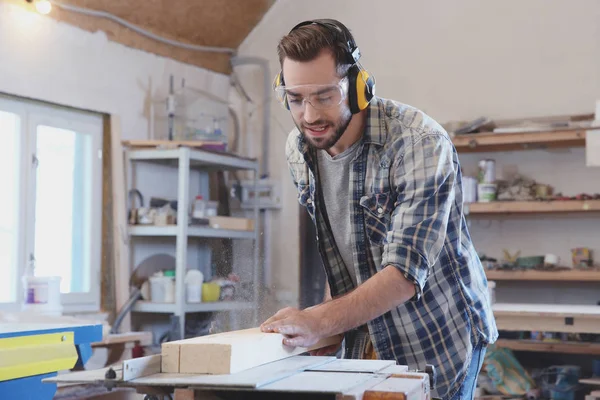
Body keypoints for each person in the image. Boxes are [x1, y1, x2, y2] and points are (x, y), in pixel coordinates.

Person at [260, 18, 498, 400]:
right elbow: (341, 253)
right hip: (366, 333)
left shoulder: (419, 144)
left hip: (436, 335)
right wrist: (328, 326)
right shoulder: (299, 150)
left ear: (358, 88)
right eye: (296, 99)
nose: (309, 116)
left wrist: (317, 320)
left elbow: (404, 273)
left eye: (324, 96)